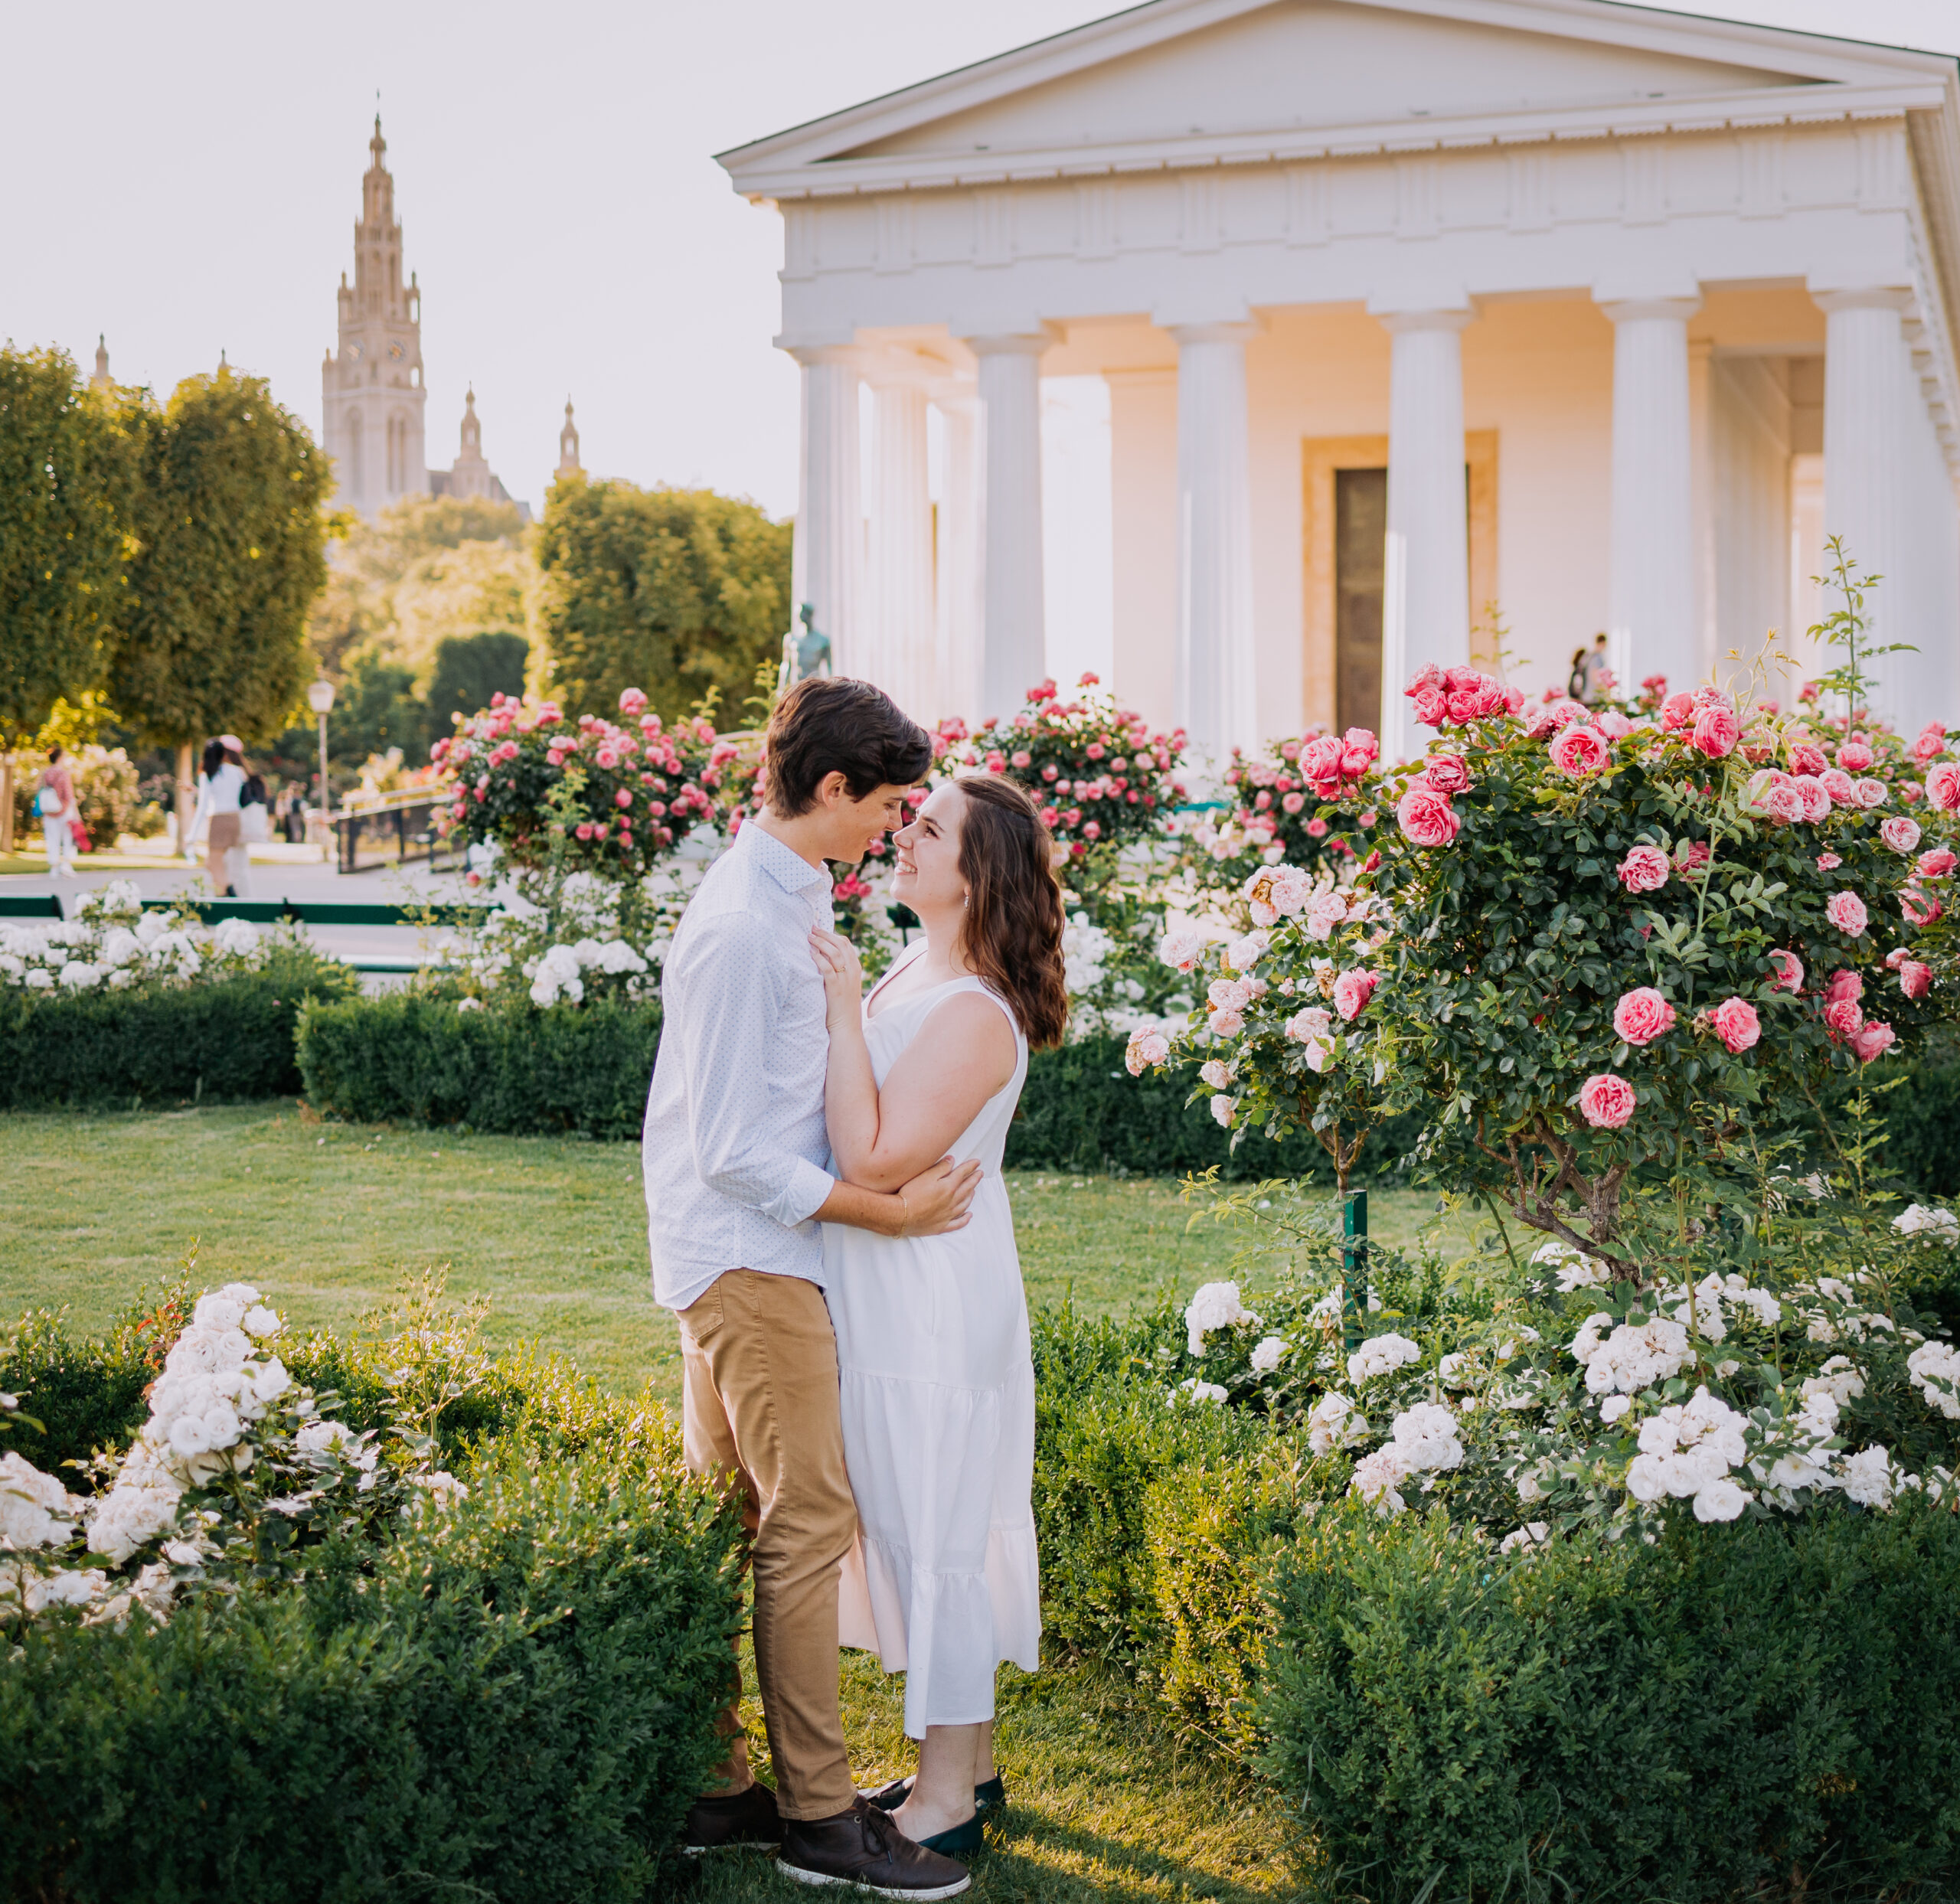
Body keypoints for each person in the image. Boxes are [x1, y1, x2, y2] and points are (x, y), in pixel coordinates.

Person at [645, 674, 980, 1899]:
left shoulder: (785, 897)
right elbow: (730, 1146)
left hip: (739, 1252)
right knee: (807, 1522)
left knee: (742, 1518)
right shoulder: (747, 923)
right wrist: (883, 1210)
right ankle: (820, 1816)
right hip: (749, 1257)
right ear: (833, 788)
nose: (896, 828)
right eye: (890, 805)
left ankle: (728, 1786)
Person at [807, 774, 1063, 1856]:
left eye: (929, 829)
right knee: (921, 1509)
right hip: (892, 1281)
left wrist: (835, 1003)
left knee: (944, 1524)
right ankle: (977, 1762)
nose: (901, 837)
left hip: (935, 1301)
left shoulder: (971, 1012)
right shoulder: (926, 967)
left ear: (979, 873)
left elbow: (871, 1153)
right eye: (908, 821)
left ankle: (946, 1798)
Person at [185, 737, 246, 896]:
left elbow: (203, 806)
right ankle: (221, 896)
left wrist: (191, 835)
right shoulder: (237, 771)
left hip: (219, 819)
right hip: (234, 818)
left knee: (215, 863)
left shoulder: (208, 774)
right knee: (212, 864)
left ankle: (230, 896)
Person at [34, 746, 78, 878]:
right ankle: (66, 864)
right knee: (67, 838)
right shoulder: (63, 774)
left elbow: (38, 791)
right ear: (60, 758)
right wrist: (76, 812)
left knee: (52, 839)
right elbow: (69, 795)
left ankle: (54, 867)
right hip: (64, 810)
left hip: (49, 812)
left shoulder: (45, 774)